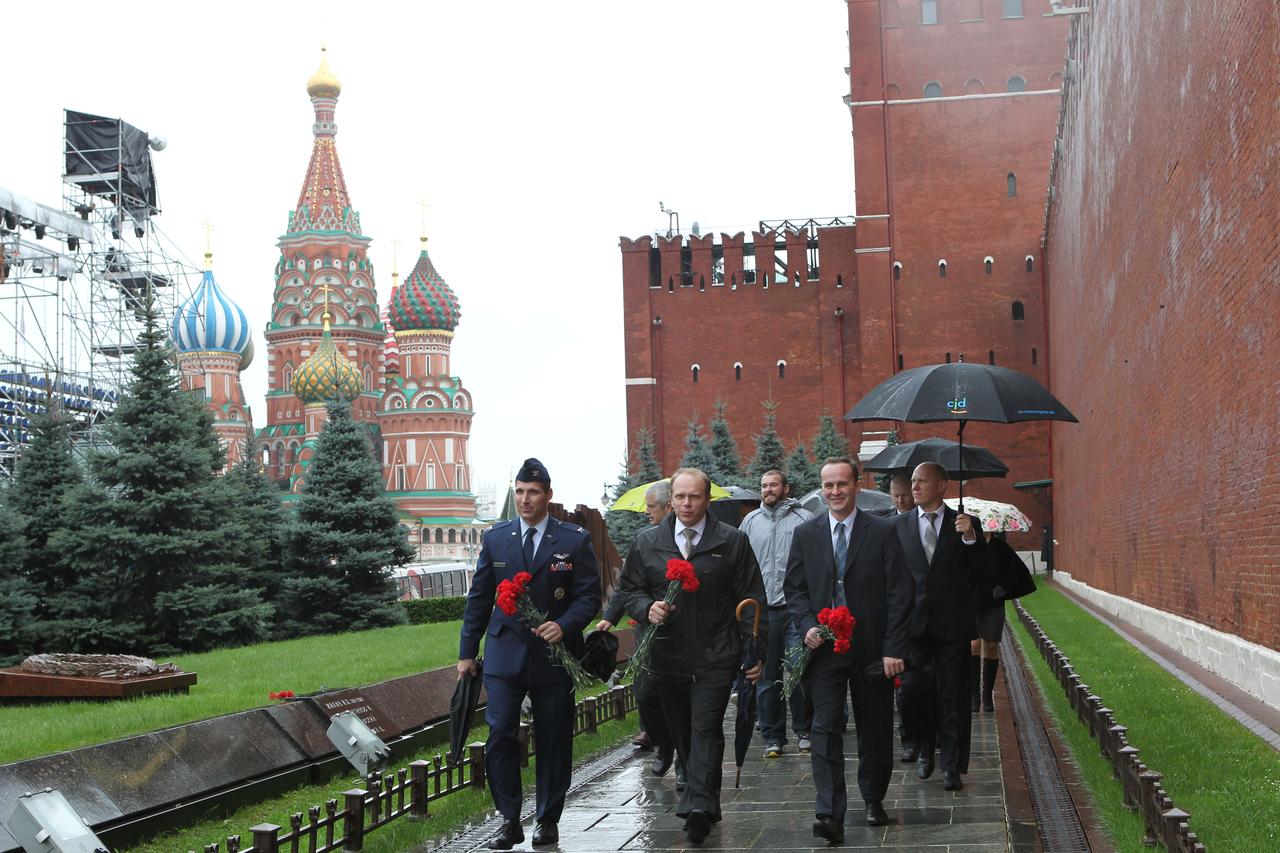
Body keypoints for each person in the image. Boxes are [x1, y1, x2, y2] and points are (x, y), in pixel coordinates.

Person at [618, 467, 766, 846]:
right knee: (682, 729)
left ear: (707, 500)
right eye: (680, 497)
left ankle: (698, 808)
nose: (686, 504)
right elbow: (629, 590)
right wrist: (646, 607)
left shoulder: (730, 541)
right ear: (671, 500)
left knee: (705, 726)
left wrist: (753, 651)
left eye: (694, 497)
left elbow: (751, 599)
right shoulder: (648, 541)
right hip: (667, 656)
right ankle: (702, 796)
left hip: (716, 653)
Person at [458, 458, 600, 850]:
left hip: (554, 657)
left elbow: (589, 597)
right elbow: (479, 599)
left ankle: (547, 820)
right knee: (500, 734)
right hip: (504, 654)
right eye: (519, 491)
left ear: (548, 496)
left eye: (533, 492)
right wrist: (467, 652)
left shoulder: (573, 540)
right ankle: (508, 820)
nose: (524, 499)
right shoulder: (497, 537)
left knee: (554, 739)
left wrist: (566, 625)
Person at [784, 457, 911, 843]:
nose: (835, 492)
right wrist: (807, 626)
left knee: (874, 726)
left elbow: (900, 592)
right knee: (824, 729)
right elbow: (795, 590)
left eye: (842, 484)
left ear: (857, 485)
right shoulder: (806, 535)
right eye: (828, 486)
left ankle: (873, 798)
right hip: (824, 649)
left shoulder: (883, 531)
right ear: (821, 489)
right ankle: (829, 812)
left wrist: (893, 648)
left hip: (872, 648)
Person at [893, 462, 990, 792]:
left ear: (942, 486)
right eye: (913, 482)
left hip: (952, 625)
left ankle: (951, 764)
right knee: (913, 693)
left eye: (922, 482)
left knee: (953, 696)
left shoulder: (964, 525)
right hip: (913, 626)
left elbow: (981, 574)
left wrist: (971, 539)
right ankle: (923, 746)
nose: (915, 487)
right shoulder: (899, 526)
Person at [597, 479, 679, 781]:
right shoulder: (645, 540)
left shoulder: (692, 539)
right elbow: (627, 586)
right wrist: (610, 617)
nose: (647, 513)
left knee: (682, 696)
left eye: (651, 507)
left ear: (667, 506)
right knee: (645, 692)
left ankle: (683, 759)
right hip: (650, 629)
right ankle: (664, 741)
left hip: (684, 632)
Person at [739, 468, 813, 758]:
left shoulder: (804, 519)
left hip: (795, 608)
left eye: (773, 485)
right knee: (768, 675)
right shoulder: (750, 521)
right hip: (762, 611)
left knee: (798, 670)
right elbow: (741, 562)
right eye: (764, 485)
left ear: (786, 487)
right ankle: (772, 735)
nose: (768, 490)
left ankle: (804, 728)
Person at [874, 471, 922, 763]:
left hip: (924, 613)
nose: (902, 500)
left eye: (906, 495)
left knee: (925, 685)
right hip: (898, 617)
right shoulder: (886, 526)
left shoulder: (924, 524)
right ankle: (910, 740)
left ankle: (931, 735)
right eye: (897, 495)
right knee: (904, 688)